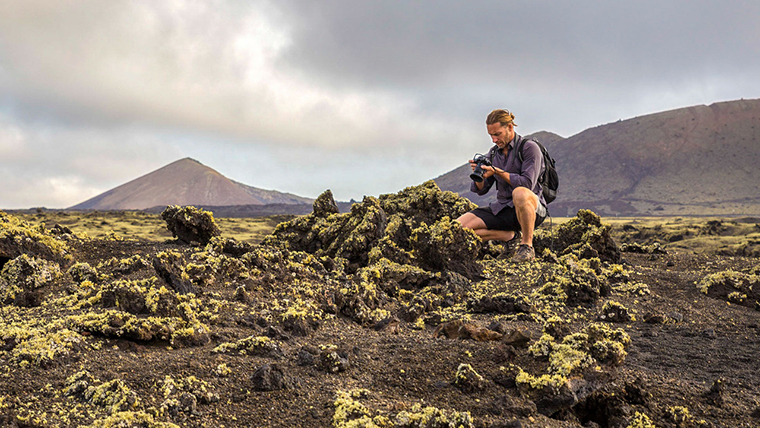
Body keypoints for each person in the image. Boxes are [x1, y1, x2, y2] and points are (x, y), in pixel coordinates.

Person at [456, 109, 547, 262]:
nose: (493, 139)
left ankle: (527, 246)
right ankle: (510, 237)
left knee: (519, 193)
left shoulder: (529, 148)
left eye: (497, 134)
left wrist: (497, 171)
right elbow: (481, 190)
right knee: (457, 228)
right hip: (504, 208)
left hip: (532, 209)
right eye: (491, 135)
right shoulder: (493, 154)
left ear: (510, 127)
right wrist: (481, 176)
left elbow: (527, 183)